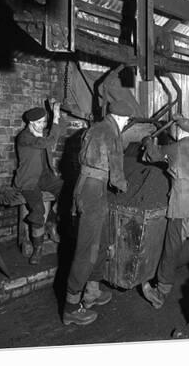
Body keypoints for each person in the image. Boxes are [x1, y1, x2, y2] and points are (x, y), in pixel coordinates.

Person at [62, 100, 133, 326]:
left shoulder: (95, 128)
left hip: (91, 187)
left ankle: (92, 291)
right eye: (127, 122)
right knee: (87, 251)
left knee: (101, 243)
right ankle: (71, 308)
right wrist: (124, 187)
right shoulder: (111, 133)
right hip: (93, 190)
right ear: (122, 120)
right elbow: (117, 175)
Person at [141, 114, 189, 309]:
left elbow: (152, 155)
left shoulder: (175, 148)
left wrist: (149, 141)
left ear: (178, 131)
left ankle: (160, 294)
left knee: (170, 253)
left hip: (183, 212)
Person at [14, 101, 63, 265]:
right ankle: (37, 248)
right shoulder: (25, 137)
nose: (43, 126)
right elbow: (49, 141)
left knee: (67, 191)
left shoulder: (41, 132)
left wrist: (56, 117)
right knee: (38, 210)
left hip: (45, 176)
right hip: (28, 180)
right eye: (40, 123)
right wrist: (55, 118)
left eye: (44, 122)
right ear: (31, 123)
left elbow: (53, 134)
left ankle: (51, 221)